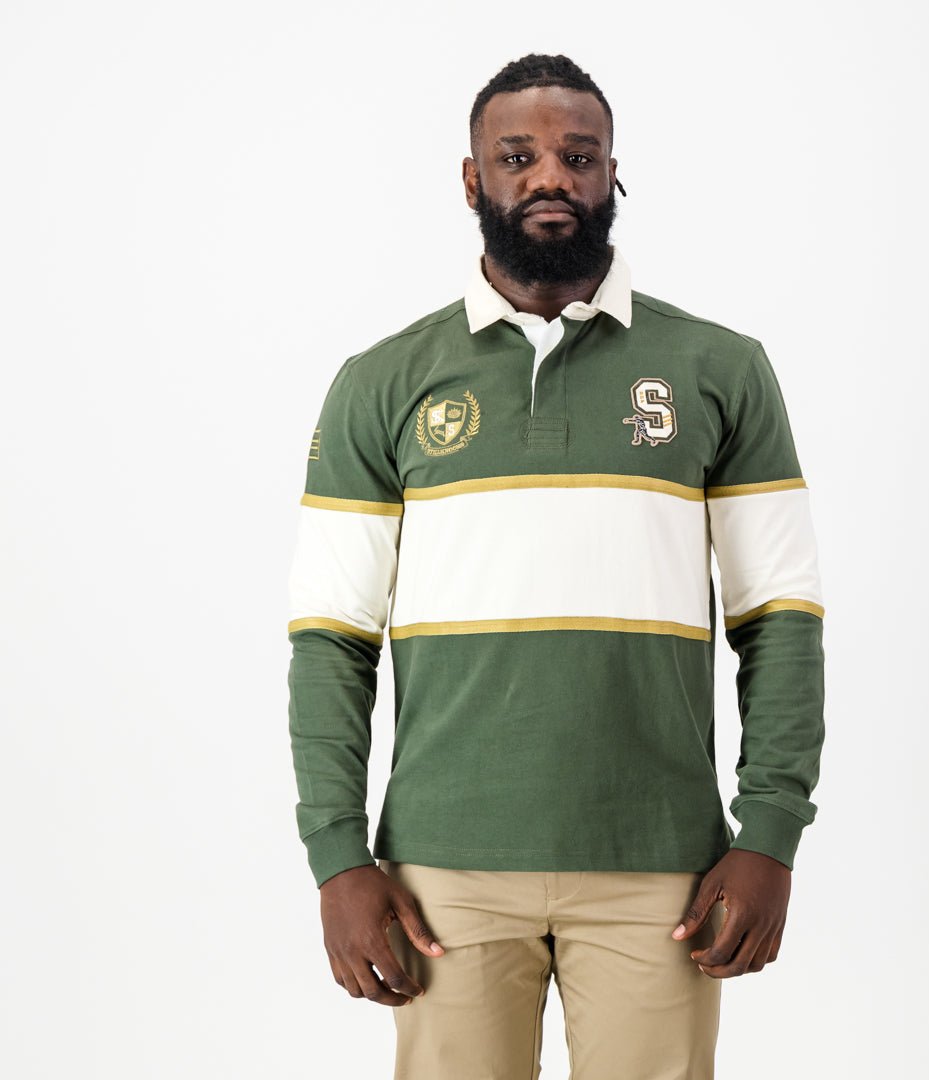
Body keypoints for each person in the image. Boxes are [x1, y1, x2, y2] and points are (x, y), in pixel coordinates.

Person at [287, 53, 826, 1080]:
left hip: (662, 866)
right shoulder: (382, 382)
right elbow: (331, 640)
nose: (550, 177)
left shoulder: (720, 369)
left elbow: (781, 621)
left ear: (613, 174)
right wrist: (337, 857)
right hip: (443, 870)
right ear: (471, 178)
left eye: (579, 158)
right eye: (517, 157)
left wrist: (770, 833)